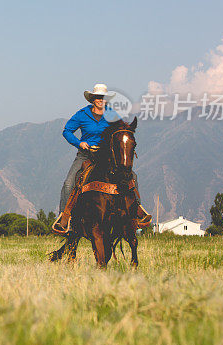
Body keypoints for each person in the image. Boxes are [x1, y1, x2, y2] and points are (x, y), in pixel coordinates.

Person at [53, 83, 151, 234]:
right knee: (68, 183)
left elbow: (120, 132)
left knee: (132, 177)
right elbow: (67, 131)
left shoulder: (112, 115)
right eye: (98, 97)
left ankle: (137, 210)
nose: (100, 100)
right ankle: (65, 218)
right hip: (85, 155)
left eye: (103, 97)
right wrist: (79, 143)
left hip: (106, 156)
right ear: (92, 99)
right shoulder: (81, 115)